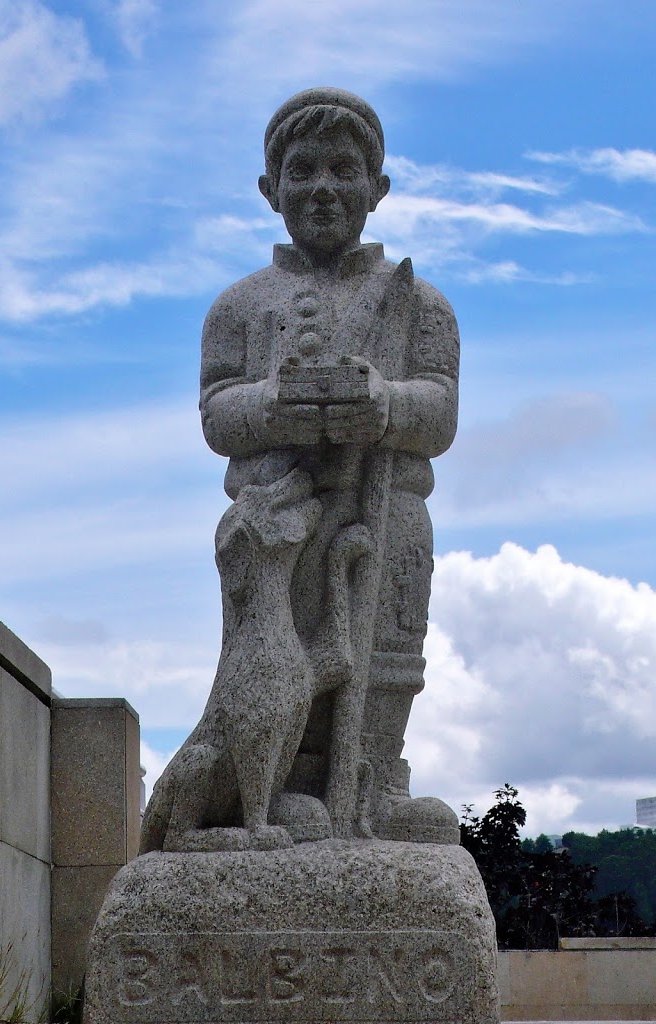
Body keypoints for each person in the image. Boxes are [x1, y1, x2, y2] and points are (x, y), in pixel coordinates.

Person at [199, 87, 459, 837]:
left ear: (376, 189)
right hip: (276, 515)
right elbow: (217, 411)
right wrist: (276, 408)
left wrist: (383, 404)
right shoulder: (240, 306)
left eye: (344, 171)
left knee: (385, 654)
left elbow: (438, 411)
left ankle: (376, 785)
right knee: (274, 661)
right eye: (302, 170)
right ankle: (278, 782)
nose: (322, 188)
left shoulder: (421, 306)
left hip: (387, 511)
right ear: (269, 189)